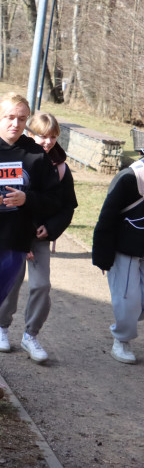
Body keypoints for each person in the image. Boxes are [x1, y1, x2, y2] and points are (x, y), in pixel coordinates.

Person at [0, 93, 61, 403]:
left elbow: (54, 202)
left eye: (21, 118)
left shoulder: (37, 157)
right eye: (9, 117)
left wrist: (27, 199)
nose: (15, 123)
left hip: (16, 244)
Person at [0, 111, 77, 363]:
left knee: (42, 285)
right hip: (15, 233)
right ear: (30, 134)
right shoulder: (18, 159)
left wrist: (51, 229)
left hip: (41, 236)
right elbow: (7, 198)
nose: (48, 141)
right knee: (11, 283)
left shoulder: (61, 168)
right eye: (42, 136)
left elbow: (66, 206)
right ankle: (2, 327)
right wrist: (23, 234)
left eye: (52, 136)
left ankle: (30, 335)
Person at [92, 150, 144, 364]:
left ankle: (130, 317)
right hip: (126, 248)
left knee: (138, 303)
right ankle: (121, 340)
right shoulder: (130, 177)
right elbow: (107, 217)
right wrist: (103, 256)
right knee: (128, 299)